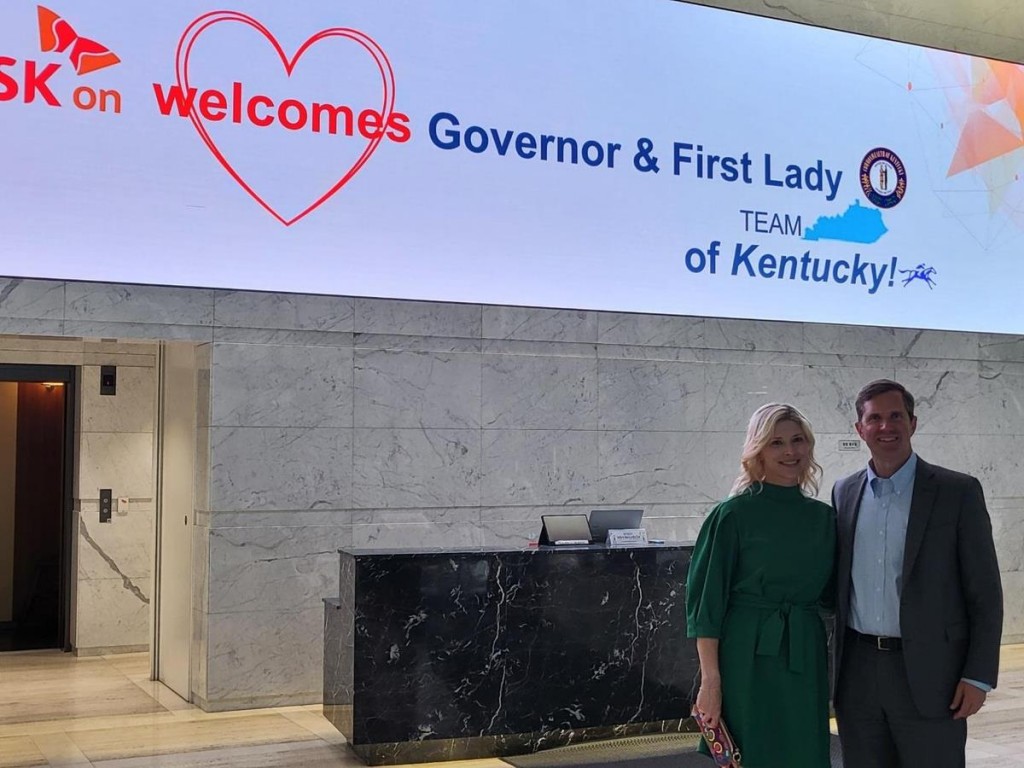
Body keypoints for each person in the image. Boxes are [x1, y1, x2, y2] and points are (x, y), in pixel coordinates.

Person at [832, 379, 1003, 768]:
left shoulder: (956, 492)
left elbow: (986, 593)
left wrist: (978, 676)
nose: (885, 427)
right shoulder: (844, 493)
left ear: (913, 422)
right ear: (860, 430)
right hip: (857, 674)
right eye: (874, 418)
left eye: (895, 416)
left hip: (932, 673)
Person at [687, 403, 835, 768]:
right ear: (758, 450)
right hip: (746, 654)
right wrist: (711, 682)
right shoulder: (732, 514)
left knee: (805, 751)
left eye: (797, 440)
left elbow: (835, 595)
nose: (789, 451)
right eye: (776, 442)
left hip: (804, 651)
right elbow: (706, 606)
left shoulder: (825, 518)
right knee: (752, 753)